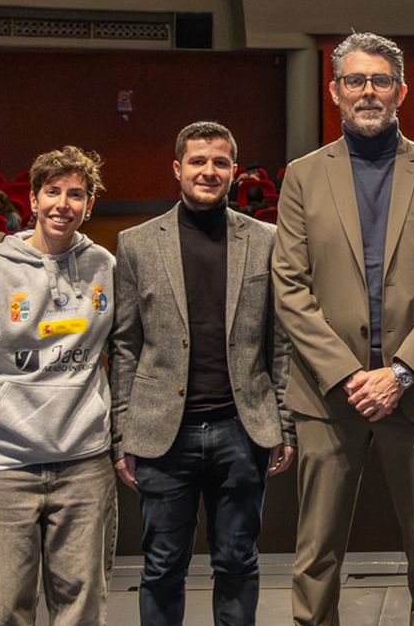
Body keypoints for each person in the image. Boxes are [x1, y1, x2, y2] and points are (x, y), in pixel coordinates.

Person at [273, 30, 414, 626]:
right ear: (335, 91)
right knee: (315, 555)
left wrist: (400, 373)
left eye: (380, 80)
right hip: (327, 395)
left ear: (401, 90)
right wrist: (349, 375)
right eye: (355, 80)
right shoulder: (303, 176)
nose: (368, 91)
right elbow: (290, 289)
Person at [109, 121, 296, 626]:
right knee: (163, 565)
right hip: (162, 432)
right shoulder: (136, 244)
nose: (208, 171)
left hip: (243, 427)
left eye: (219, 162)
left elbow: (280, 345)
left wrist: (283, 422)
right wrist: (122, 432)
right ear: (177, 168)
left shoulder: (267, 241)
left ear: (233, 171)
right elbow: (125, 345)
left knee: (237, 561)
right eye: (197, 161)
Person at [0, 146, 119, 626]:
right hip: (3, 467)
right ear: (33, 199)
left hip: (84, 462)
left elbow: (126, 355)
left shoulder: (105, 267)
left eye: (76, 194)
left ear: (90, 204)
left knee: (82, 606)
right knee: (1, 609)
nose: (64, 204)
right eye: (53, 192)